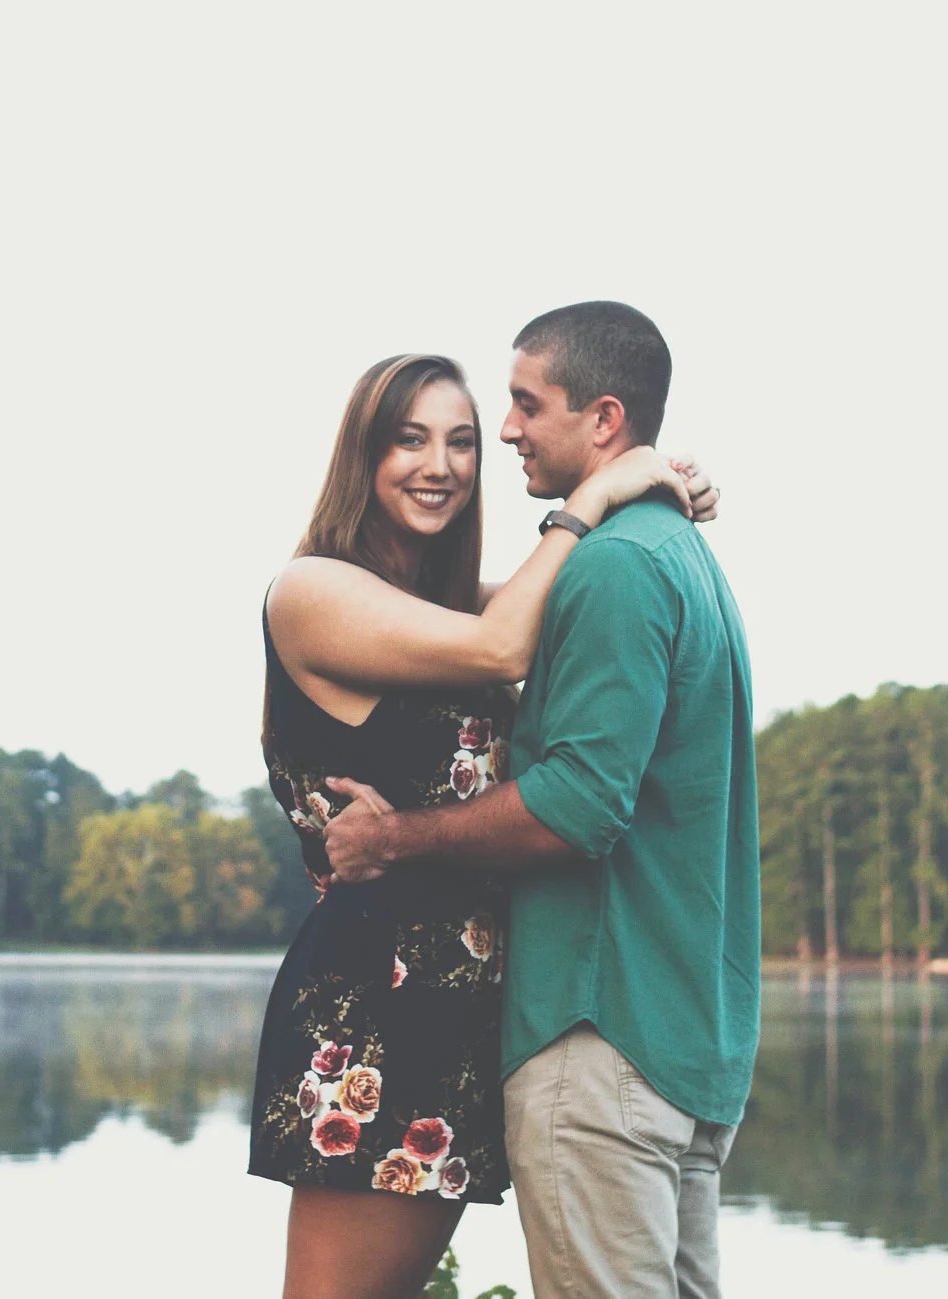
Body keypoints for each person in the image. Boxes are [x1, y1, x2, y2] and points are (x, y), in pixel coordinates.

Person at [248, 350, 720, 1299]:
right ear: (362, 455)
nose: (444, 463)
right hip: (376, 1010)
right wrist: (592, 497)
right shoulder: (312, 591)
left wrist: (645, 487)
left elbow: (562, 603)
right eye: (410, 439)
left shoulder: (432, 603)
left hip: (462, 1008)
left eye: (462, 441)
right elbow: (502, 644)